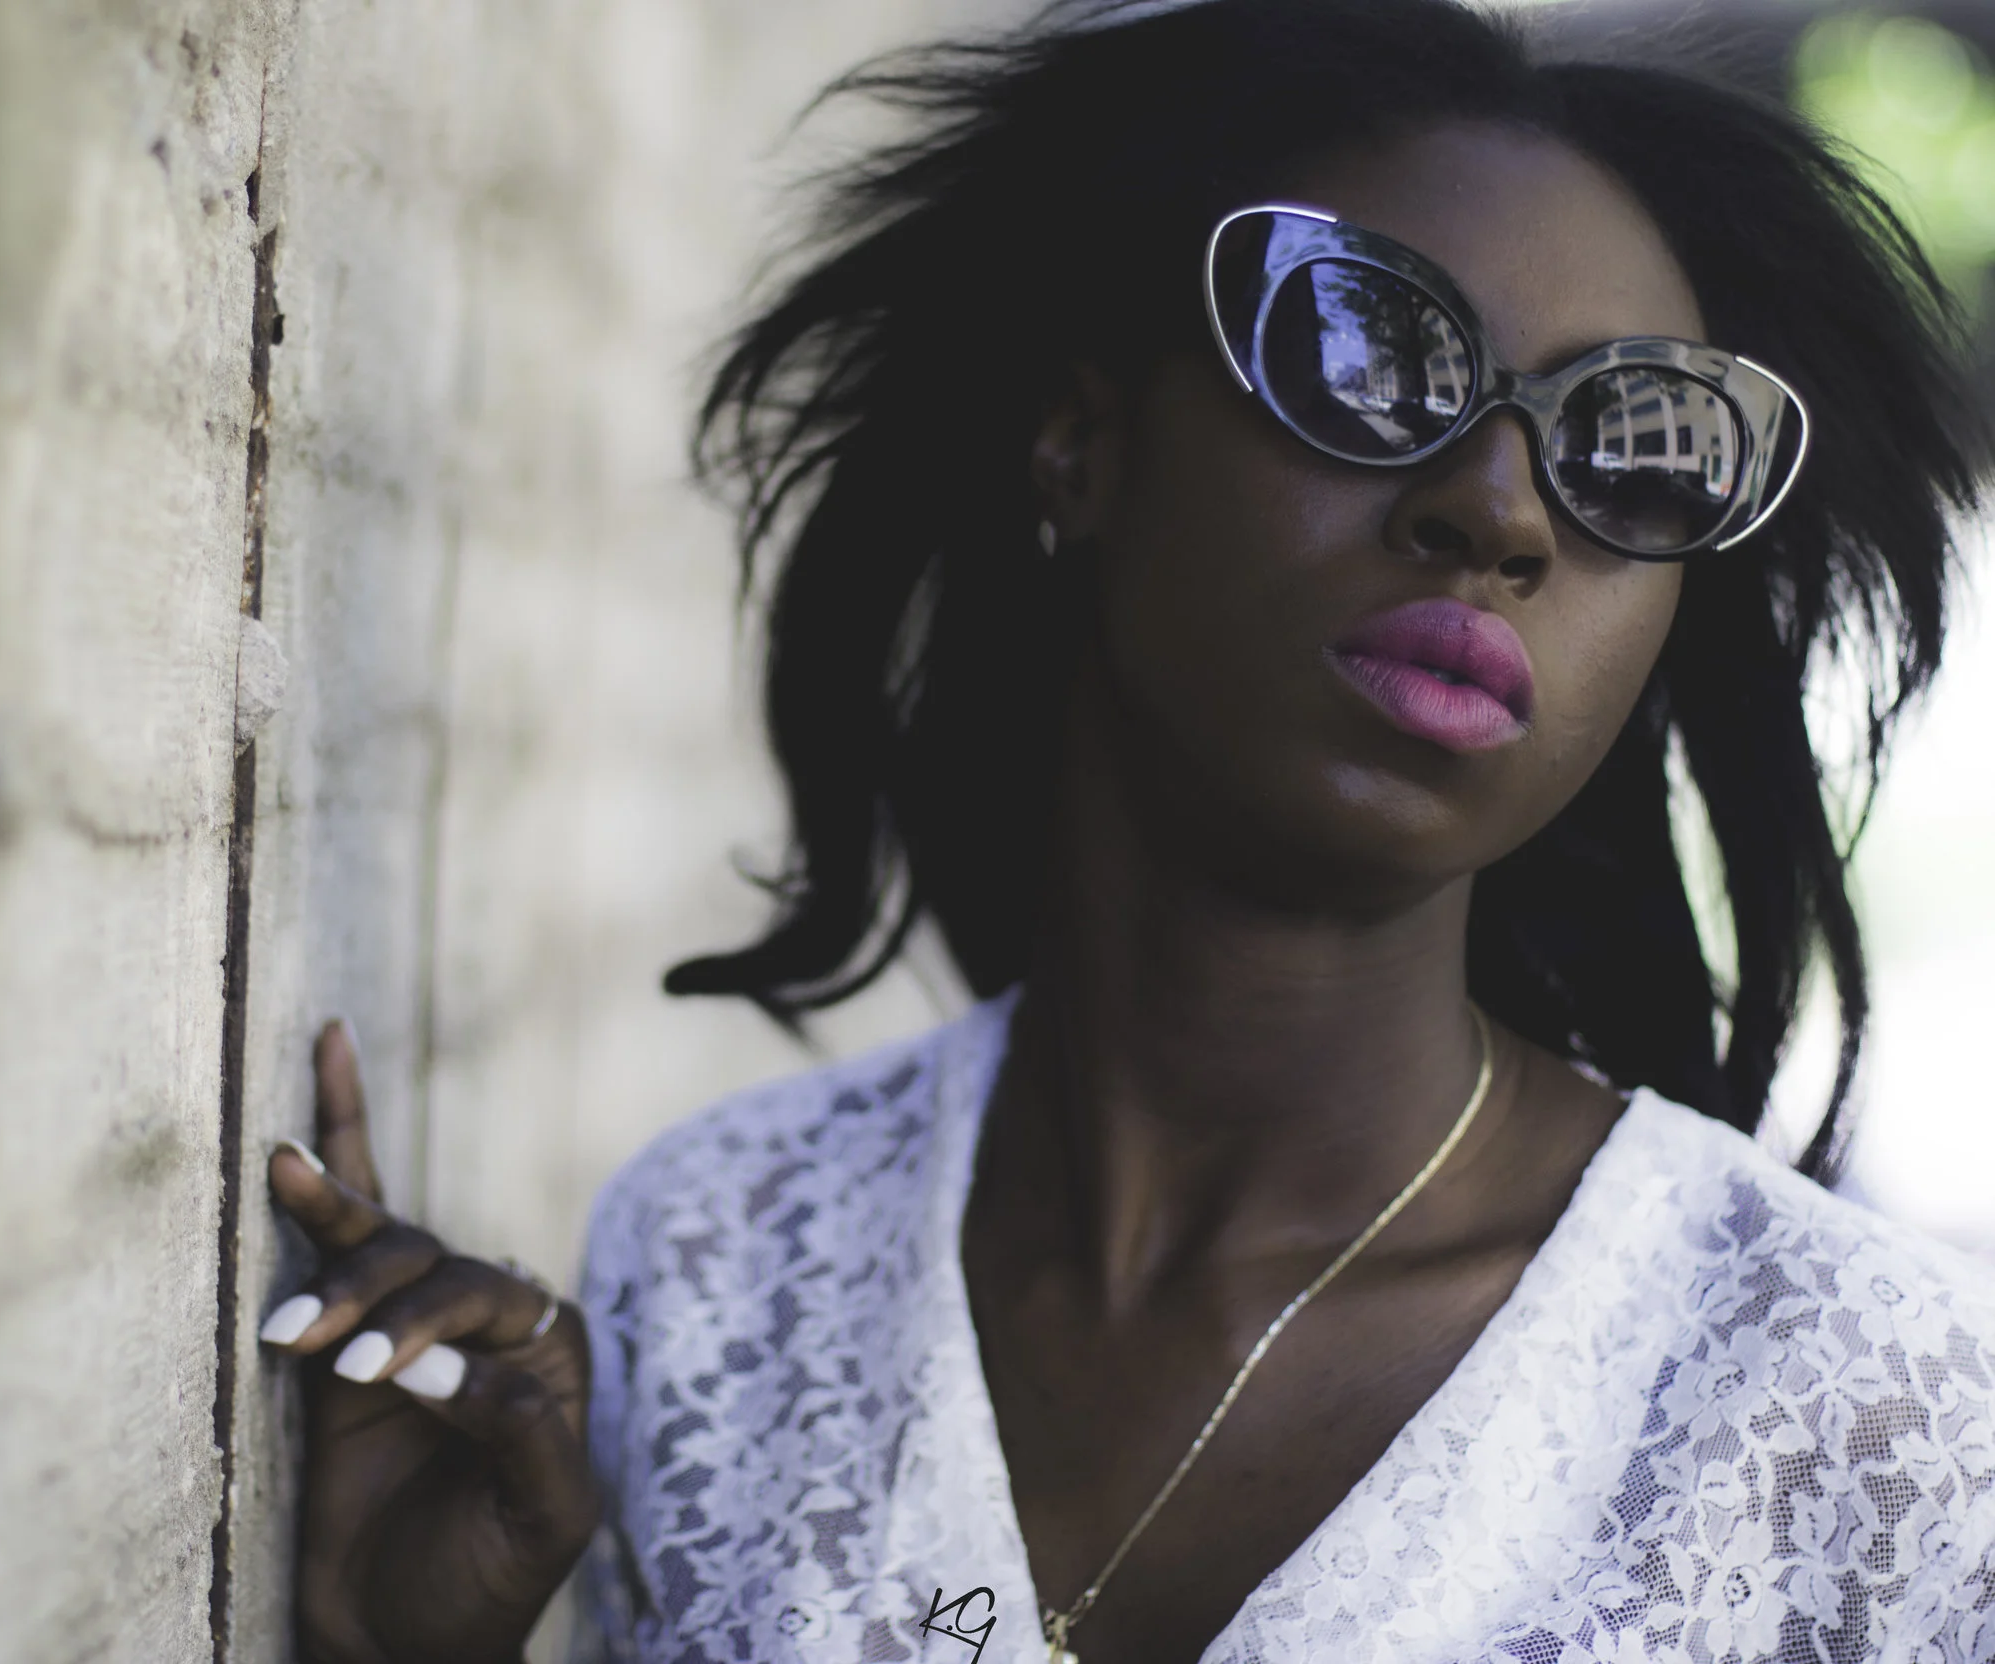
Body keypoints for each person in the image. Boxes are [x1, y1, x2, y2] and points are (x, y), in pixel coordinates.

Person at [254, 0, 1995, 1658]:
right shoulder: (718, 1263)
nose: (1498, 509)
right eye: (1367, 349)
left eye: (1628, 449)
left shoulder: (1862, 1416)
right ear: (1081, 443)